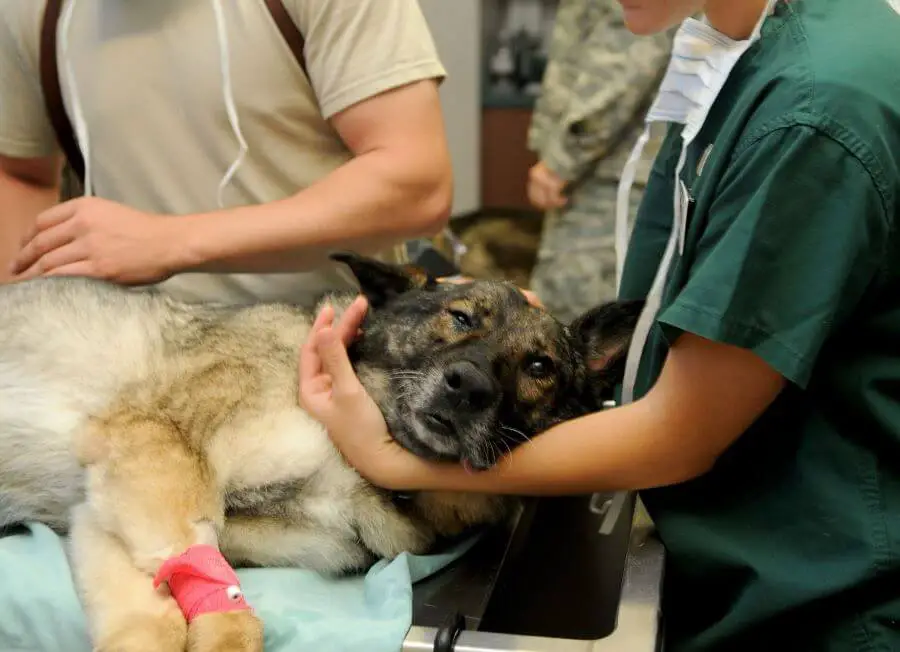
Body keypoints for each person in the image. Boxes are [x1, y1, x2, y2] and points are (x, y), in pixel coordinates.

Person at [298, 0, 900, 650]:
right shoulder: (732, 49)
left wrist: (393, 462)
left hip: (816, 600)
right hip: (739, 562)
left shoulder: (814, 111)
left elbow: (679, 433)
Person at [0, 0, 451, 305]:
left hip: (322, 347)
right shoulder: (32, 12)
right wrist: (22, 316)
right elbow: (21, 172)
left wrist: (170, 241)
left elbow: (416, 183)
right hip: (123, 353)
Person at [526, 0, 671, 322]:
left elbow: (625, 64)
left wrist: (560, 162)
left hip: (609, 179)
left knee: (579, 326)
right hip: (609, 172)